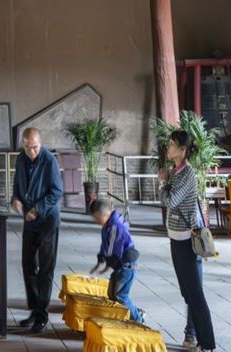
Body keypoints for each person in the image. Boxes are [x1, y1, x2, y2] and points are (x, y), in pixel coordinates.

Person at [158, 130, 216, 352]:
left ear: (182, 150)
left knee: (194, 293)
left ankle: (206, 343)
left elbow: (170, 201)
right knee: (187, 292)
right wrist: (165, 182)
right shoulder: (175, 171)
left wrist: (163, 183)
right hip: (176, 238)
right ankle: (198, 339)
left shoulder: (187, 174)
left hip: (186, 241)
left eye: (172, 144)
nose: (168, 147)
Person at [11, 126, 63, 332]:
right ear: (23, 144)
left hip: (48, 220)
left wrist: (37, 209)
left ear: (40, 144)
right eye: (27, 147)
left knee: (45, 269)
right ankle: (33, 309)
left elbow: (57, 191)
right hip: (29, 220)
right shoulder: (21, 159)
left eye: (34, 147)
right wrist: (15, 200)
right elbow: (17, 185)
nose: (31, 152)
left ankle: (42, 314)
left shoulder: (49, 160)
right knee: (27, 265)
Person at [88, 195, 144, 325]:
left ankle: (138, 319)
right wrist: (100, 262)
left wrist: (107, 265)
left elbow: (114, 250)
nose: (97, 221)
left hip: (127, 265)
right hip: (120, 264)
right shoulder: (107, 226)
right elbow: (105, 246)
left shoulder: (115, 227)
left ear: (106, 214)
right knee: (112, 294)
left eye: (97, 218)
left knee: (120, 295)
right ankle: (129, 314)